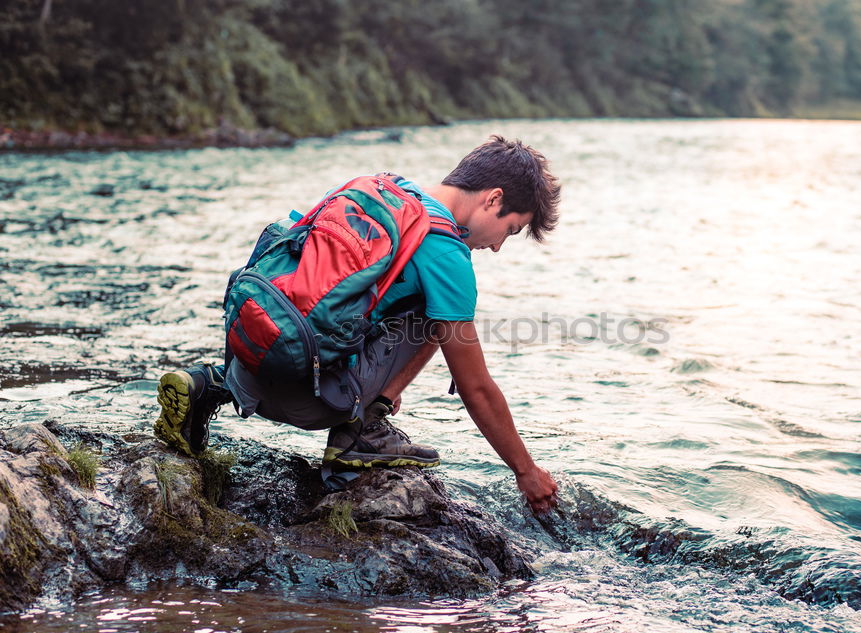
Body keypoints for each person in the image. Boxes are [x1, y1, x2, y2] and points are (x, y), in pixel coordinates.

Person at [154, 135, 560, 513]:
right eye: (510, 229)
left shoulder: (377, 188)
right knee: (444, 319)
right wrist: (526, 472)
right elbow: (477, 388)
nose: (497, 245)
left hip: (250, 371)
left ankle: (207, 384)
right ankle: (361, 431)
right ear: (493, 199)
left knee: (411, 308)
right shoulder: (446, 253)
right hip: (312, 403)